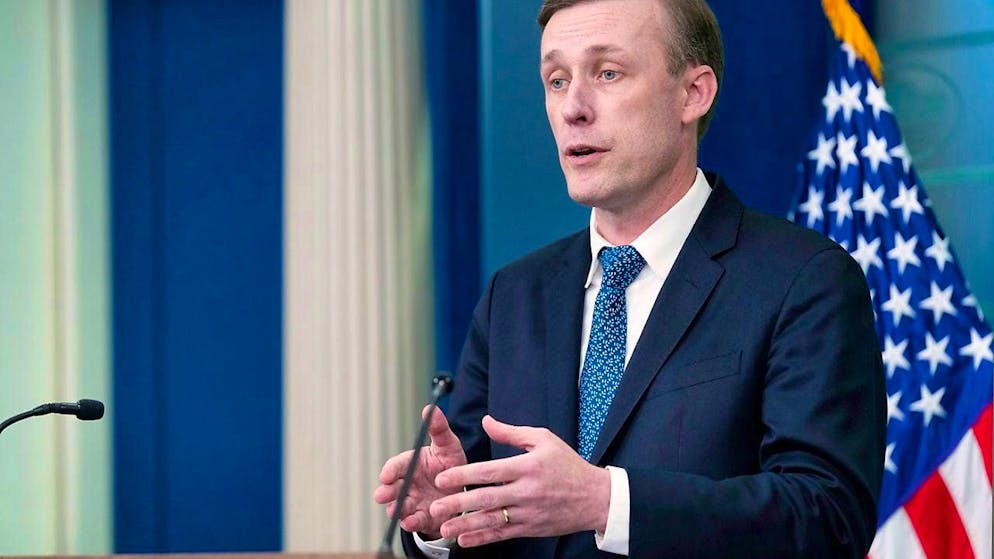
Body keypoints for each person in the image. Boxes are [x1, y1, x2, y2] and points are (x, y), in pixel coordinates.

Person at [374, 0, 886, 557]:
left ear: (693, 94)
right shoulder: (513, 297)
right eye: (557, 80)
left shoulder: (803, 281)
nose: (573, 108)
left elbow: (827, 520)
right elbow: (479, 517)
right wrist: (441, 520)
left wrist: (607, 503)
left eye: (608, 73)